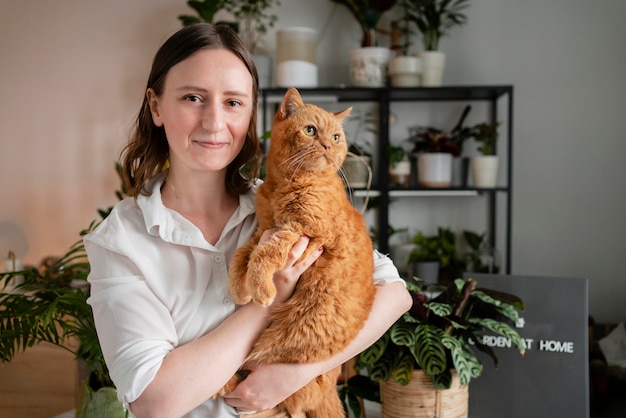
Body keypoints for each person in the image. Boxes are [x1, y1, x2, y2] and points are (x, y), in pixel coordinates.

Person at [84, 23, 412, 418]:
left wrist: (296, 373)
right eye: (193, 98)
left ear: (252, 113)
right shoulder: (121, 241)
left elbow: (394, 293)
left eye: (234, 103)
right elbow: (155, 401)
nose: (214, 122)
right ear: (156, 106)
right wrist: (267, 300)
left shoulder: (281, 203)